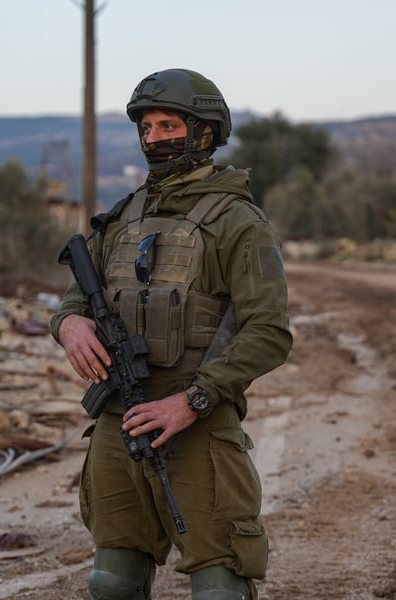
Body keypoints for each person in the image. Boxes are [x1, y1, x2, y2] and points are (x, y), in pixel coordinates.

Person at [50, 68, 292, 600]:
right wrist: (67, 325)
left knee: (219, 587)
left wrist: (194, 400)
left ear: (204, 131)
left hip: (198, 422)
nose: (154, 139)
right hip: (120, 417)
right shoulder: (123, 217)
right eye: (147, 128)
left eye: (168, 126)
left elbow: (270, 331)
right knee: (112, 580)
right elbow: (76, 295)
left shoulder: (238, 222)